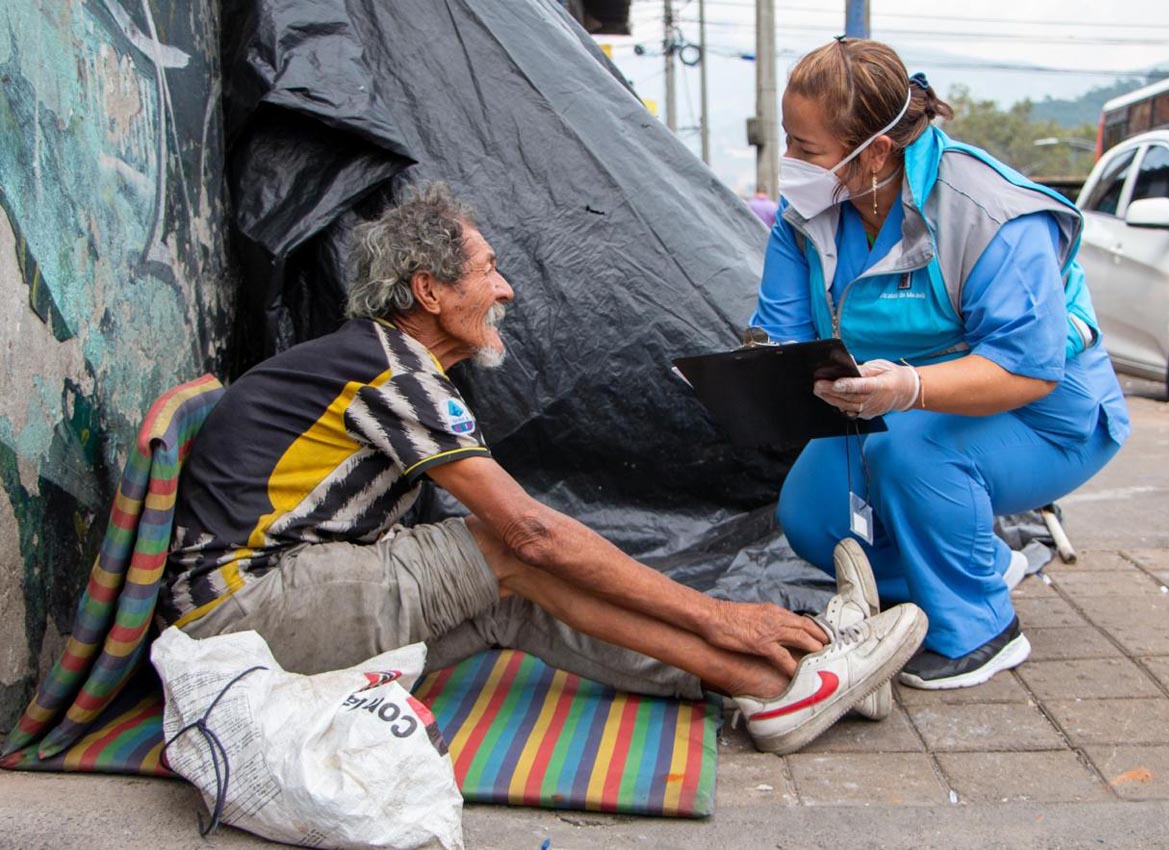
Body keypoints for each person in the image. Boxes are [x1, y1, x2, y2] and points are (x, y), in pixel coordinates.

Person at [157, 182, 927, 755]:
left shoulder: (392, 366)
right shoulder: (388, 371)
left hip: (271, 605)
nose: (506, 288)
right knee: (505, 547)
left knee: (505, 598)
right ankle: (786, 662)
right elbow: (524, 531)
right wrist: (722, 611)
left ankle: (776, 684)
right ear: (429, 288)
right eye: (489, 271)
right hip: (240, 615)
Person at [751, 38, 1129, 690]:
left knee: (909, 454)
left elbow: (1029, 368)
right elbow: (783, 338)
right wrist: (752, 379)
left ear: (875, 152)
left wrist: (911, 387)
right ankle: (972, 564)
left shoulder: (991, 214)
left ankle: (979, 630)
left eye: (806, 149)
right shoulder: (806, 218)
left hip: (1044, 414)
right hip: (892, 404)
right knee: (813, 518)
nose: (790, 163)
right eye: (788, 141)